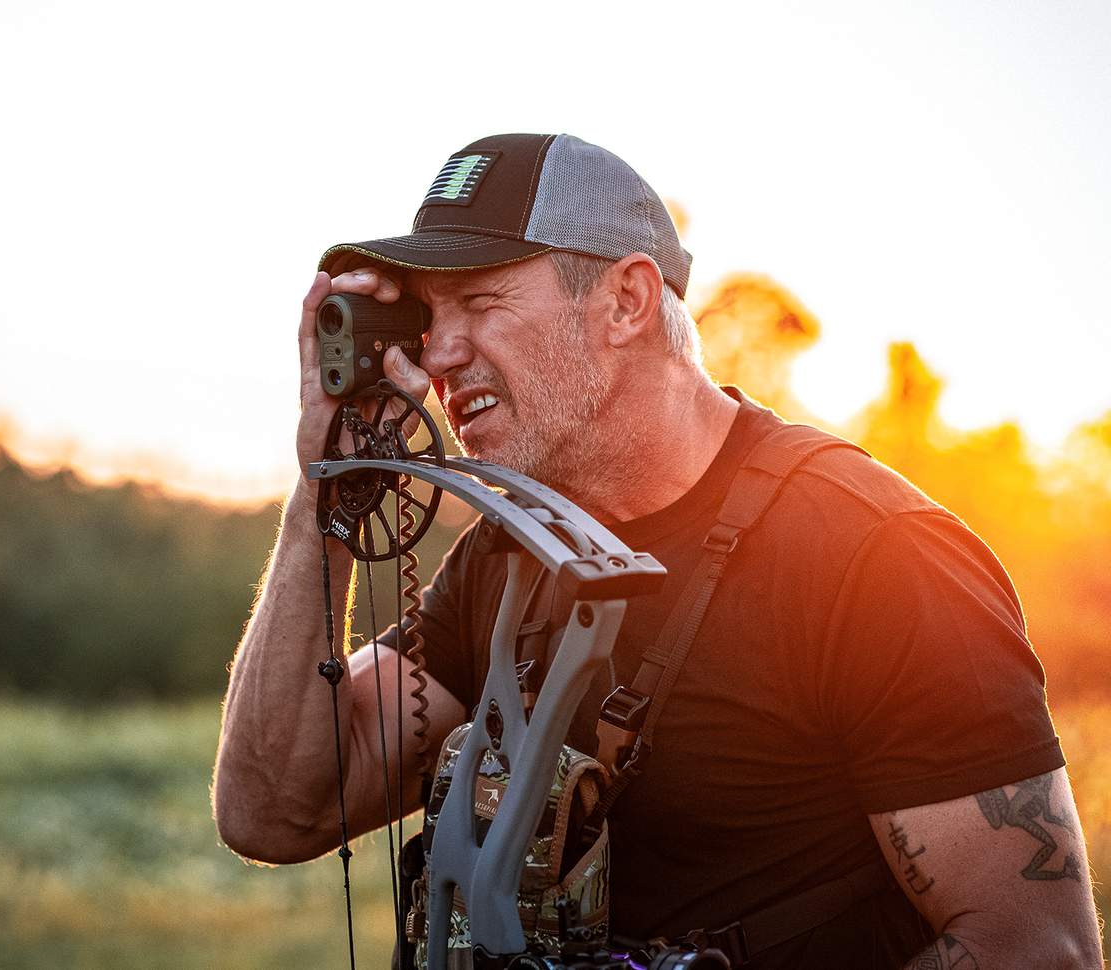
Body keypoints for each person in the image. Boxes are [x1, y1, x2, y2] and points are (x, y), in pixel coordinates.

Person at [212, 133, 1102, 968]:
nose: (439, 353)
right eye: (430, 317)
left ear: (628, 301)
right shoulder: (508, 554)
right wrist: (330, 482)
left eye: (481, 302)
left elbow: (1039, 947)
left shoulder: (876, 558)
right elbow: (276, 811)